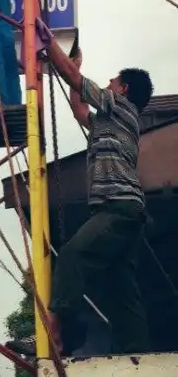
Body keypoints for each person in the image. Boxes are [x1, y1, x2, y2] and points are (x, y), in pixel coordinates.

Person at [39, 26, 153, 357]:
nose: (107, 86)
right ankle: (138, 354)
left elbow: (77, 82)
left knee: (73, 254)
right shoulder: (110, 121)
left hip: (117, 208)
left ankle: (61, 333)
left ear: (123, 89)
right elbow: (79, 108)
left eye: (112, 82)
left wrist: (51, 45)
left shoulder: (121, 108)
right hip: (126, 211)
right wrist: (74, 64)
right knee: (121, 289)